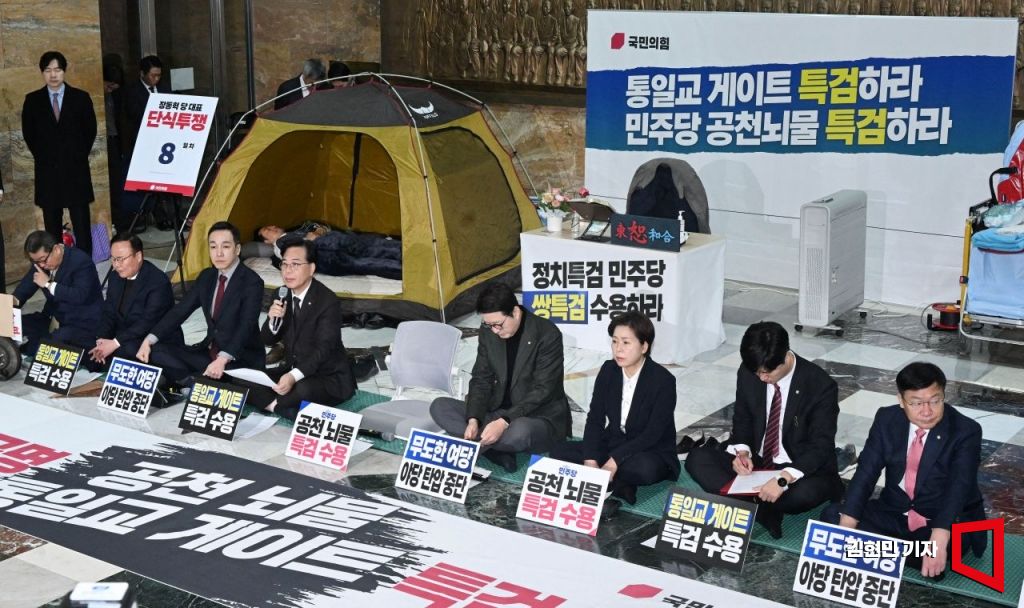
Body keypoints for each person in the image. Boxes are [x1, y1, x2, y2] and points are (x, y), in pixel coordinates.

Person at [822, 362, 987, 578]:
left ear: (944, 395)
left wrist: (939, 536)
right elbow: (866, 472)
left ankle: (878, 550)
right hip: (895, 511)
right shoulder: (887, 419)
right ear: (901, 400)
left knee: (948, 545)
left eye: (935, 401)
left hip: (939, 519)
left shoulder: (965, 431)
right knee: (833, 516)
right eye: (916, 403)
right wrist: (847, 525)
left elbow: (959, 486)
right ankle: (908, 554)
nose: (927, 411)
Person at [685, 321, 842, 538]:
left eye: (767, 373)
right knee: (697, 459)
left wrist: (783, 480)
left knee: (802, 496)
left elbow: (820, 447)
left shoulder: (820, 386)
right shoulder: (749, 372)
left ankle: (747, 503)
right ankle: (763, 509)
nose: (762, 378)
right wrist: (743, 452)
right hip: (758, 463)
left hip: (798, 467)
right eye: (757, 372)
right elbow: (743, 418)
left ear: (785, 357)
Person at [430, 283, 571, 472]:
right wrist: (474, 419)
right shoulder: (488, 332)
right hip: (495, 410)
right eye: (489, 325)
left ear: (515, 312)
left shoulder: (546, 333)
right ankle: (494, 447)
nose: (494, 330)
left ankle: (487, 445)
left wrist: (504, 422)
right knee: (439, 406)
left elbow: (542, 391)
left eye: (498, 324)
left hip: (534, 415)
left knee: (520, 434)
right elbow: (481, 378)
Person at [550, 312, 678, 511]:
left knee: (644, 470)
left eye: (626, 342)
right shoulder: (609, 370)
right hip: (614, 441)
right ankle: (619, 484)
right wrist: (590, 459)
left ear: (644, 346)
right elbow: (595, 418)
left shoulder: (663, 381)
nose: (618, 349)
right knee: (559, 451)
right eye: (615, 341)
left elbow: (652, 434)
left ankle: (614, 479)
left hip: (650, 449)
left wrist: (614, 461)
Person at [137, 222, 264, 385]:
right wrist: (149, 339)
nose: (219, 253)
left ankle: (195, 380)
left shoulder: (252, 282)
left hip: (238, 359)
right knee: (157, 351)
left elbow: (246, 326)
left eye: (225, 246)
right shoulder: (207, 277)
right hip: (209, 353)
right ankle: (196, 380)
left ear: (237, 249)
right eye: (213, 247)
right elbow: (180, 311)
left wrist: (223, 359)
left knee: (221, 376)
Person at [243, 240, 355, 420]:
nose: (288, 271)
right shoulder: (281, 294)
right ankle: (279, 408)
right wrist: (273, 321)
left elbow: (324, 349)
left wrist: (293, 377)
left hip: (326, 376)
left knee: (302, 390)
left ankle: (274, 404)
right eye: (284, 264)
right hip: (290, 368)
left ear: (311, 269)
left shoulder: (328, 301)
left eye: (295, 264)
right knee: (246, 378)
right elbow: (267, 340)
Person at [21, 51, 98, 256]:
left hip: (76, 171)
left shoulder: (81, 98)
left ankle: (85, 265)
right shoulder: (33, 100)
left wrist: (75, 156)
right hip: (48, 172)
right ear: (42, 73)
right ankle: (55, 267)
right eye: (48, 70)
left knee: (82, 226)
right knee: (52, 229)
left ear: (64, 71)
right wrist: (47, 157)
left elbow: (90, 131)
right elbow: (29, 135)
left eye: (57, 70)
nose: (53, 75)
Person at [87, 234, 181, 371]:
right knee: (86, 341)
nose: (116, 265)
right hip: (125, 335)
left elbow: (147, 322)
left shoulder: (157, 282)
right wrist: (102, 339)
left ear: (138, 256)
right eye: (113, 259)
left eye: (121, 259)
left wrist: (115, 343)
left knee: (126, 350)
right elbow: (109, 312)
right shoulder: (115, 277)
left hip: (151, 340)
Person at [13, 230, 102, 356]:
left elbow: (79, 295)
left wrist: (49, 284)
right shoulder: (41, 263)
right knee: (14, 325)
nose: (41, 265)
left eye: (43, 260)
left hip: (81, 323)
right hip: (53, 317)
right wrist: (10, 304)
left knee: (46, 348)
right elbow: (24, 289)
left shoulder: (81, 262)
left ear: (56, 250)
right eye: (36, 262)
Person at [258, 223, 402, 280]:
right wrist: (311, 240)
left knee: (372, 247)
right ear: (266, 242)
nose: (273, 228)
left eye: (272, 226)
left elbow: (320, 229)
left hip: (333, 243)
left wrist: (317, 233)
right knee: (366, 262)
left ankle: (403, 253)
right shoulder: (280, 245)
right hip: (326, 255)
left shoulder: (296, 231)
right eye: (268, 230)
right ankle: (404, 268)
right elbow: (297, 255)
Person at [123, 55, 170, 159]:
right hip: (142, 139)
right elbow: (134, 114)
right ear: (142, 73)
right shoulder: (132, 91)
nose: (156, 78)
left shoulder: (165, 88)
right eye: (153, 75)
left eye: (159, 75)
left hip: (164, 139)